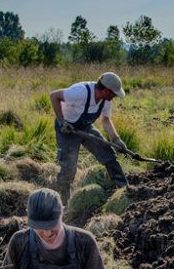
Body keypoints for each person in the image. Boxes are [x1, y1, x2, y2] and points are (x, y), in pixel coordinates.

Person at [50, 71, 129, 204]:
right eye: (114, 93)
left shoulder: (106, 100)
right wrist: (62, 121)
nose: (115, 96)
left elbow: (105, 120)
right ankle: (64, 203)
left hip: (85, 127)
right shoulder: (80, 92)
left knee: (108, 154)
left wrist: (115, 138)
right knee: (68, 167)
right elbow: (54, 95)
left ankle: (124, 189)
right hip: (67, 130)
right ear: (106, 90)